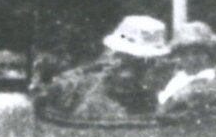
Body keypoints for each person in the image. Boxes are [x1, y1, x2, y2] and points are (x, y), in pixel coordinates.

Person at [34, 14, 171, 121]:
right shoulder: (84, 86)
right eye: (129, 61)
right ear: (117, 57)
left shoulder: (149, 96)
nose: (135, 71)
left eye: (146, 63)